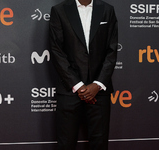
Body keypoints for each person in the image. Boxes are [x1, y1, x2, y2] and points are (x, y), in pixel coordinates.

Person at [49, 0, 118, 149]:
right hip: (69, 90)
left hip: (99, 91)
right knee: (65, 144)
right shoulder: (59, 10)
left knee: (99, 144)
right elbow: (57, 51)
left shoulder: (107, 10)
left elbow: (112, 51)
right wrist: (79, 86)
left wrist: (97, 84)